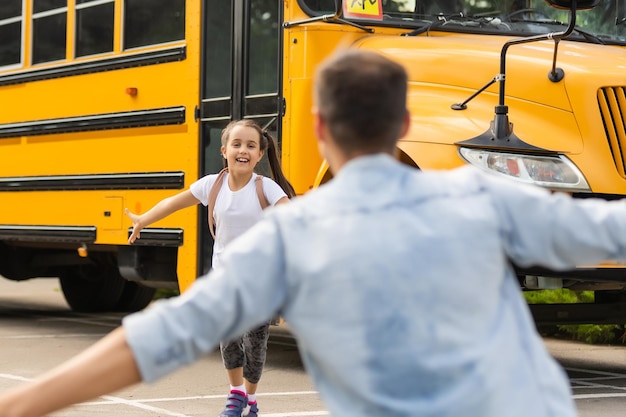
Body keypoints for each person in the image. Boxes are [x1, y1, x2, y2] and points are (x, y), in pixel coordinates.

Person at [6, 48, 626, 417]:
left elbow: (151, 340)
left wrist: (19, 405)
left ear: (320, 130)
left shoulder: (287, 239)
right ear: (404, 121)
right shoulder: (484, 196)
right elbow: (609, 228)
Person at [124, 118, 295, 417]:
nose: (243, 150)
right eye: (237, 144)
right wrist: (143, 219)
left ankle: (251, 399)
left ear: (259, 154)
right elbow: (174, 203)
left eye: (251, 146)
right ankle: (235, 395)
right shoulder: (211, 185)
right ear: (224, 150)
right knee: (228, 340)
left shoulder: (265, 188)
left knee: (254, 345)